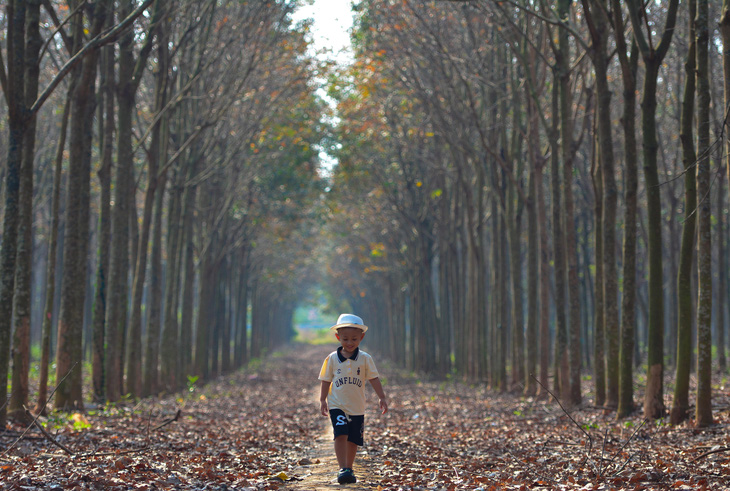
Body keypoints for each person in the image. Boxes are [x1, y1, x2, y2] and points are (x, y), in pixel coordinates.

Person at [319, 313, 388, 484]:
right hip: (337, 404)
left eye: (354, 339)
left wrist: (382, 397)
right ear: (338, 337)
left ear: (361, 338)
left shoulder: (365, 359)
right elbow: (326, 379)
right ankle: (343, 468)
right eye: (345, 339)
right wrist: (322, 400)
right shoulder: (332, 359)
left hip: (357, 406)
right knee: (340, 433)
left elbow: (374, 378)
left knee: (353, 438)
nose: (349, 343)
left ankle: (349, 467)